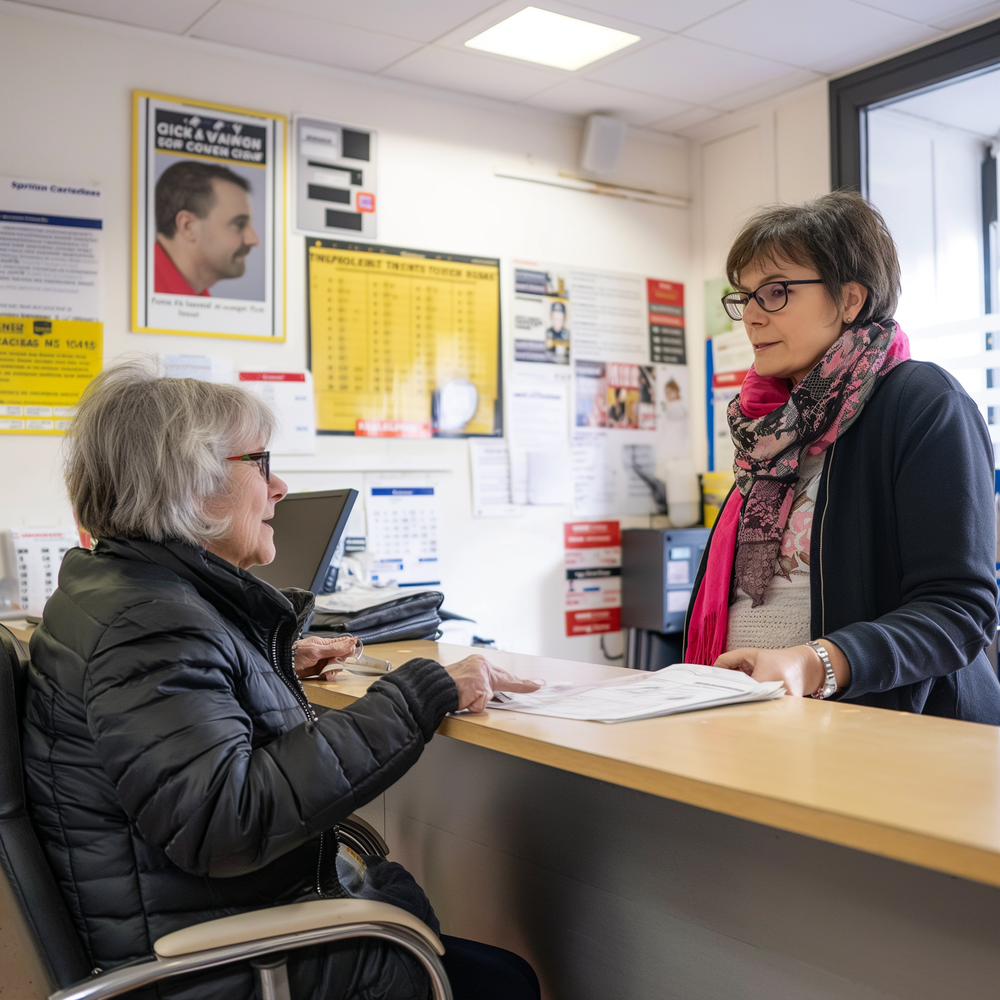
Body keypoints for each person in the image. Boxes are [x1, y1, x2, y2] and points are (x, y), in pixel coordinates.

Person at [23, 361, 543, 1000]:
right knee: (505, 983)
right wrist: (421, 693)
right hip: (222, 967)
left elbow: (168, 720)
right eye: (261, 465)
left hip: (190, 932)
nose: (281, 488)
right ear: (188, 482)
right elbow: (225, 817)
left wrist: (250, 669)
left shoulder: (119, 594)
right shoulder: (152, 624)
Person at [684, 191, 1000, 723]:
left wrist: (815, 663)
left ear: (850, 299)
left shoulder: (923, 401)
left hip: (892, 732)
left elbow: (959, 610)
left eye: (777, 292)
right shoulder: (769, 432)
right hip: (757, 719)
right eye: (746, 297)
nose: (752, 318)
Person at [154, 160, 259, 296]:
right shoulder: (134, 290)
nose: (254, 240)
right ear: (188, 227)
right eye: (239, 224)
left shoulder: (192, 298)